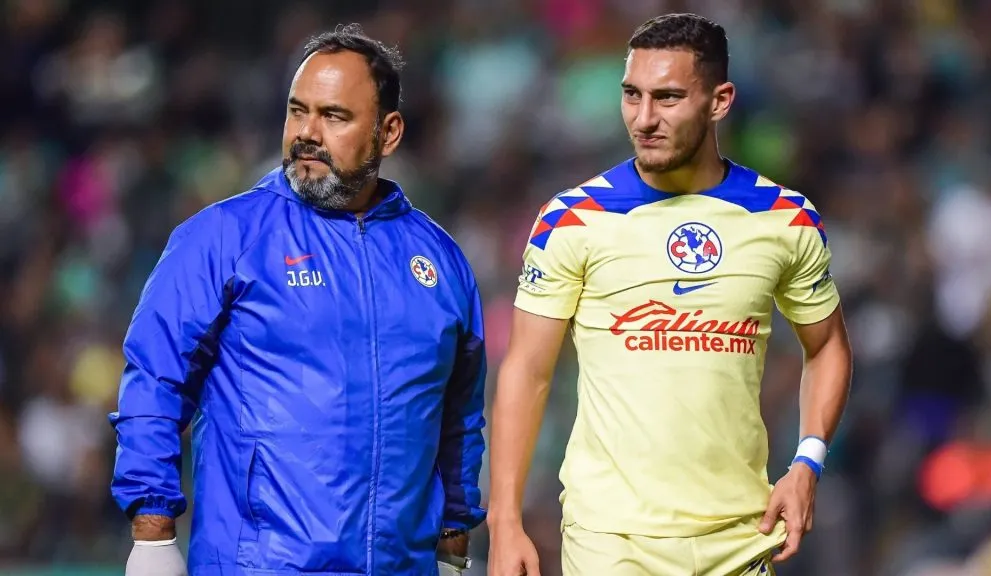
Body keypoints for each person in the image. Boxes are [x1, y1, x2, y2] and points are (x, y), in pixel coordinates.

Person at [109, 24, 486, 576]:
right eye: (297, 111)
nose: (307, 132)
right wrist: (152, 536)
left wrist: (454, 545)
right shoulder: (220, 239)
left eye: (334, 116)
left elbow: (457, 417)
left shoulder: (442, 261)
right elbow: (154, 382)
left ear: (389, 133)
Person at [486, 13, 853, 576]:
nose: (644, 118)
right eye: (632, 96)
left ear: (720, 100)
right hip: (613, 539)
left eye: (669, 98)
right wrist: (505, 521)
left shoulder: (785, 218)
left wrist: (807, 462)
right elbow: (527, 370)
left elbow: (826, 346)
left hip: (741, 532)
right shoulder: (574, 218)